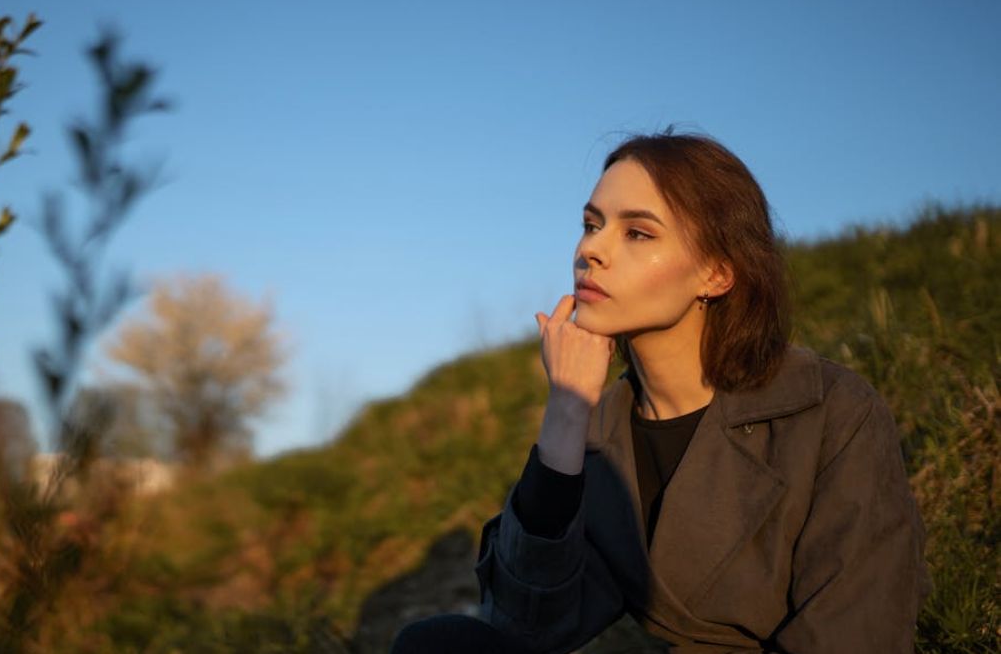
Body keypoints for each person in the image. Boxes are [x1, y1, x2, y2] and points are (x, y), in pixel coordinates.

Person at [392, 132, 930, 653]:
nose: (591, 251)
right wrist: (564, 413)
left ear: (716, 274)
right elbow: (526, 630)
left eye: (638, 233)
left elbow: (855, 634)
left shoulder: (831, 410)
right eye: (590, 224)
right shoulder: (604, 430)